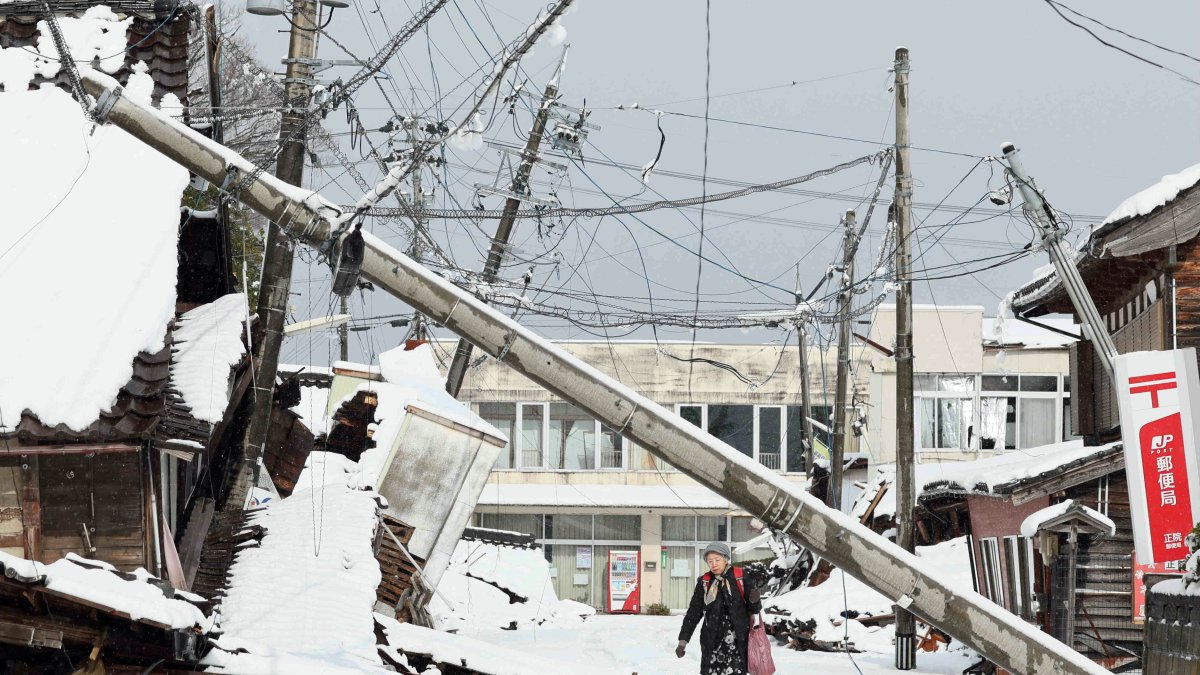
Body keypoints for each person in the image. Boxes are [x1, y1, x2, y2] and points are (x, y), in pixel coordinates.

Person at [675, 542, 762, 674]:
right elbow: (693, 612)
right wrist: (683, 641)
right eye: (710, 561)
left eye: (717, 560)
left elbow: (753, 610)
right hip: (711, 641)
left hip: (737, 640)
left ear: (726, 559)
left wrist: (755, 601)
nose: (713, 564)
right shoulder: (704, 582)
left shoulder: (740, 576)